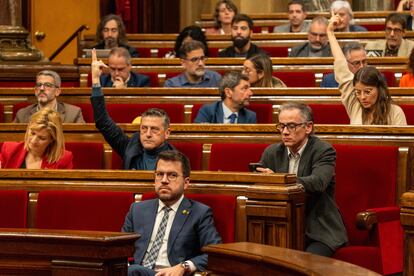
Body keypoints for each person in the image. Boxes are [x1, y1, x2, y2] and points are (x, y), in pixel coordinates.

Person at [256, 102, 347, 257]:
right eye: (281, 126)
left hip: (317, 229)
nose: (285, 132)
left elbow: (318, 182)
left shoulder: (323, 150)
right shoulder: (272, 152)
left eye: (291, 126)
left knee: (305, 264)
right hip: (280, 226)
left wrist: (279, 180)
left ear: (308, 127)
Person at [123, 150, 222, 276]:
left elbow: (216, 254)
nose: (164, 180)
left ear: (186, 183)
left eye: (172, 175)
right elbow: (120, 249)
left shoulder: (199, 213)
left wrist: (184, 266)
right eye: (159, 174)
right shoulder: (137, 210)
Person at [90, 49, 175, 170]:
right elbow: (102, 122)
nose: (148, 134)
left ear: (167, 133)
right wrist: (95, 81)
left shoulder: (176, 159)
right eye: (144, 129)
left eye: (154, 130)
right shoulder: (130, 147)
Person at [328, 13, 407, 125]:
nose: (362, 97)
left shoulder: (395, 112)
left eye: (368, 92)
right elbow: (341, 66)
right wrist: (330, 33)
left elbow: (401, 142)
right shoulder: (355, 104)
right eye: (358, 92)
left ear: (379, 89)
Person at [1, 108, 73, 169]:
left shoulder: (63, 159)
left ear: (52, 140)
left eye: (42, 138)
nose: (33, 140)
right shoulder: (9, 149)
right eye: (32, 133)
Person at [14, 70, 85, 123]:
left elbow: (81, 140)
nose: (41, 89)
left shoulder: (73, 113)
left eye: (47, 85)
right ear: (35, 90)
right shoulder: (22, 114)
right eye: (39, 85)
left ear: (57, 91)